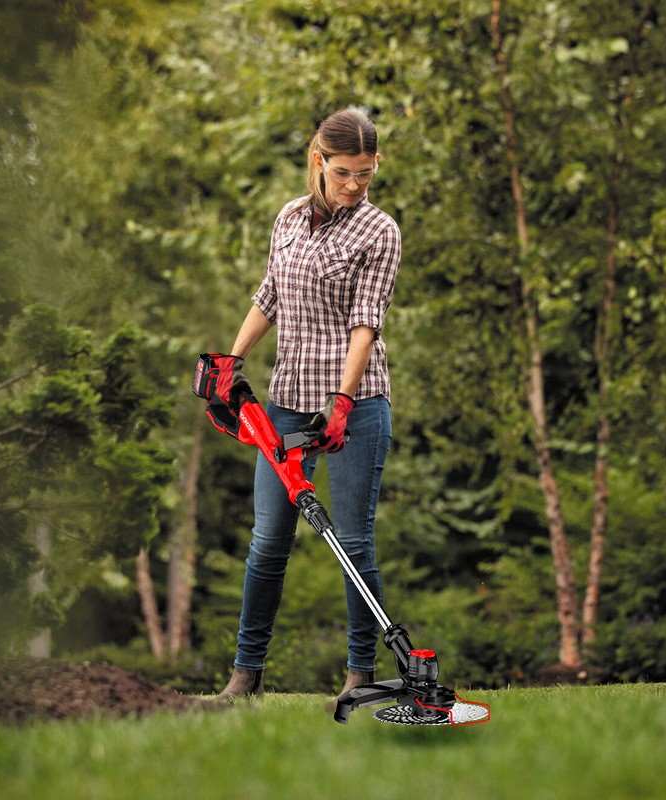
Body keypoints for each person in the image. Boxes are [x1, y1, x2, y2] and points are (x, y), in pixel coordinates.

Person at [213, 108, 402, 700]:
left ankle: (359, 674)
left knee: (352, 542)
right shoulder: (289, 218)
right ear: (319, 161)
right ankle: (246, 674)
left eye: (366, 174)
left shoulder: (380, 231)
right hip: (286, 404)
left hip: (355, 406)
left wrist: (343, 399)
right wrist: (231, 360)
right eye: (345, 172)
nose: (355, 185)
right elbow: (270, 294)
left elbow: (365, 323)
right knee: (268, 538)